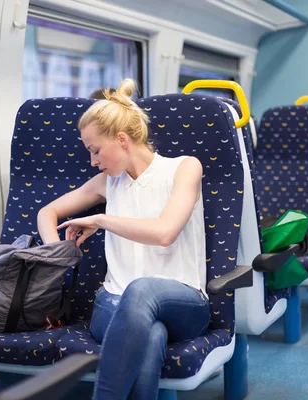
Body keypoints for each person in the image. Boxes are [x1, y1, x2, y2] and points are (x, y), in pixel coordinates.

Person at [37, 78, 209, 400]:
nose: (93, 161)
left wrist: (102, 220)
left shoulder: (184, 169)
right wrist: (56, 259)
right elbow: (47, 213)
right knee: (152, 334)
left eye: (95, 150)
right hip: (112, 304)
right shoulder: (107, 183)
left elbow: (164, 233)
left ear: (121, 139)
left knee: (142, 290)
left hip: (184, 301)